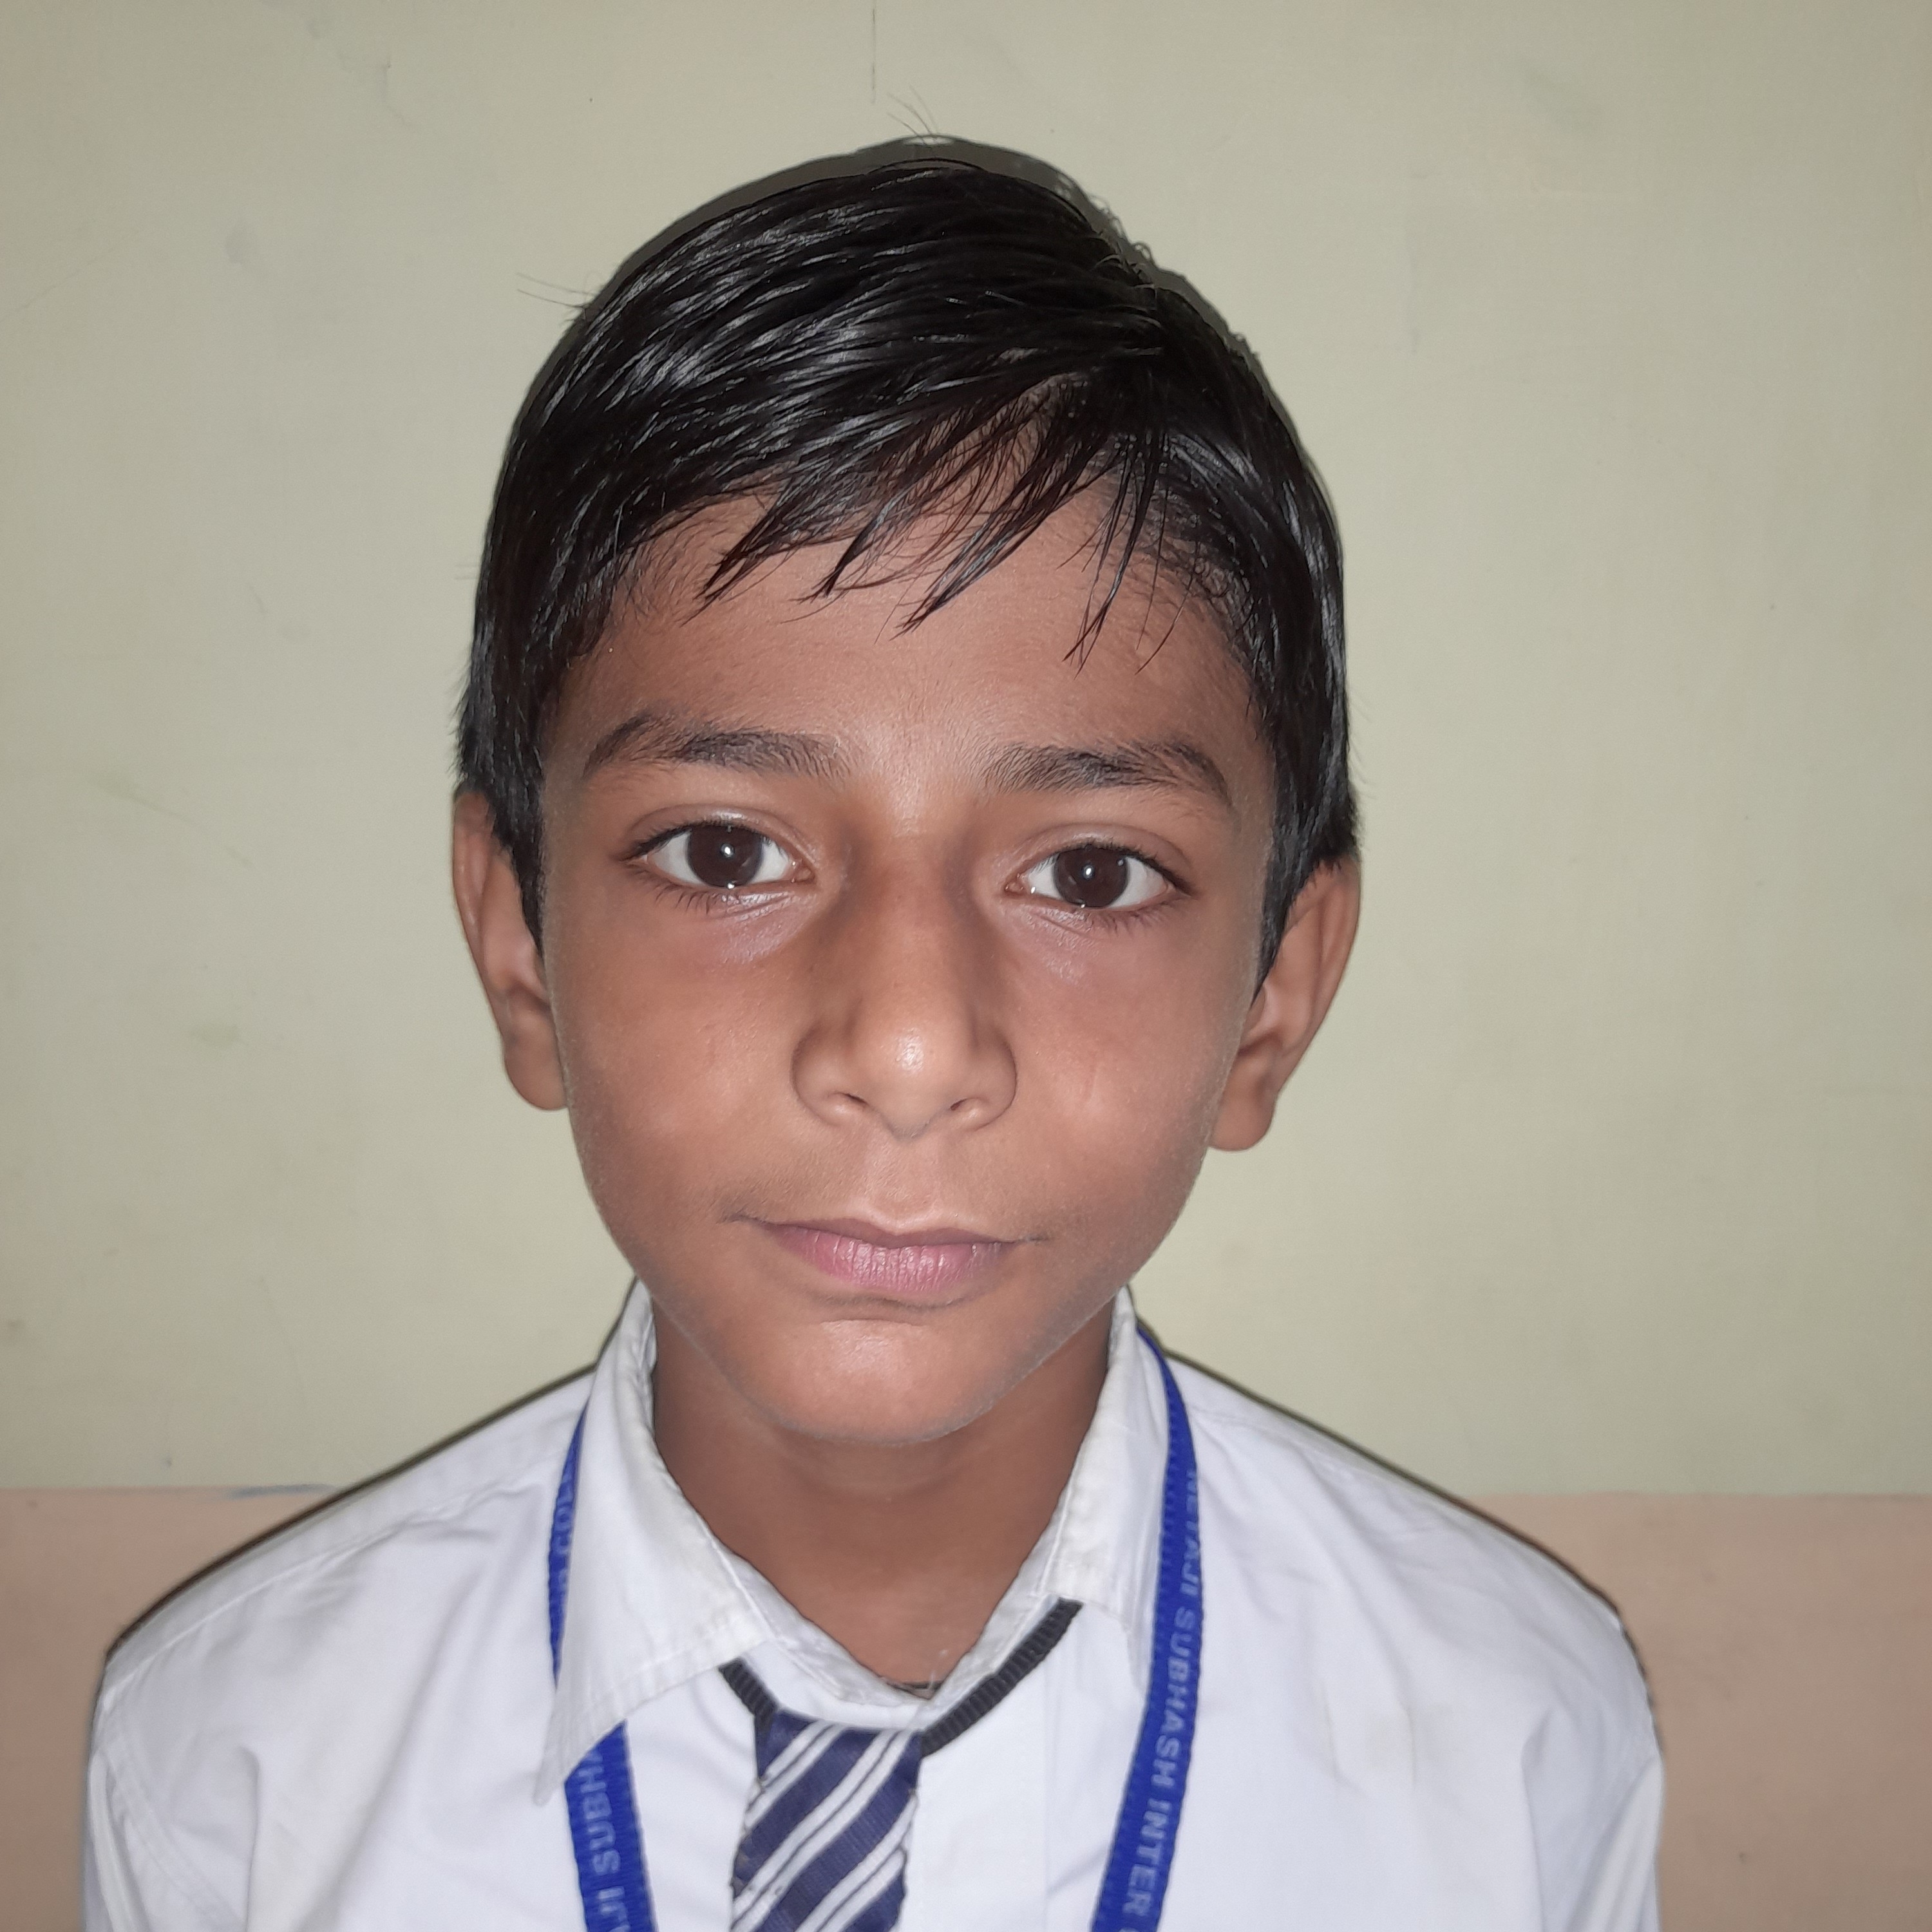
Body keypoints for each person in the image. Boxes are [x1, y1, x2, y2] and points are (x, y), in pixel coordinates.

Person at [82, 153, 1662, 1931]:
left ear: (1274, 999)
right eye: (724, 854)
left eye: (1089, 873)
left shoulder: (1511, 1754)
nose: (908, 1052)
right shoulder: (233, 1774)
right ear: (519, 945)